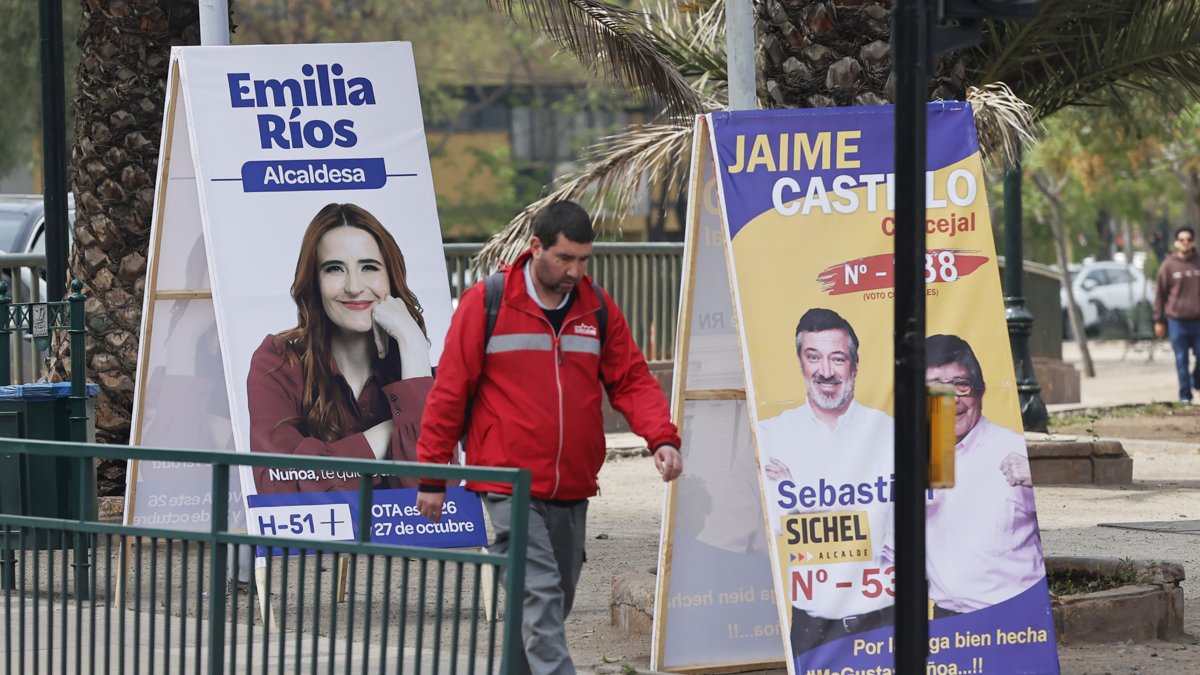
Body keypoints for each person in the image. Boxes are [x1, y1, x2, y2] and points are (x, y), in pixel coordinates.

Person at [415, 200, 682, 674]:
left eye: (584, 259)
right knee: (539, 592)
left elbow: (632, 379)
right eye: (564, 259)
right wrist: (433, 477)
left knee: (547, 605)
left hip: (573, 485)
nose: (575, 271)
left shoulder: (596, 307)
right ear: (535, 248)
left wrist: (661, 438)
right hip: (507, 483)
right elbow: (450, 391)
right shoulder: (488, 302)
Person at [246, 203, 433, 494]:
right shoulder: (278, 361)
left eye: (369, 267)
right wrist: (388, 433)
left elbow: (434, 495)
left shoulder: (416, 368)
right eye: (334, 269)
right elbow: (276, 486)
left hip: (406, 541)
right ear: (314, 282)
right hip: (316, 541)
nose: (354, 286)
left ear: (391, 279)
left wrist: (413, 347)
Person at [756, 308, 894, 658]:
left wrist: (802, 505)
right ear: (801, 362)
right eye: (813, 357)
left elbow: (914, 522)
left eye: (838, 359)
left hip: (886, 615)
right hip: (811, 621)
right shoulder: (773, 434)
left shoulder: (891, 431)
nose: (826, 372)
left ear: (855, 366)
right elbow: (778, 525)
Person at [905, 334, 1044, 615]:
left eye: (961, 386)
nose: (949, 399)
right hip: (947, 621)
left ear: (980, 391)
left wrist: (1039, 477)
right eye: (934, 387)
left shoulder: (1015, 451)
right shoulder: (913, 455)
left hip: (1016, 619)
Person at [1154, 226, 1200, 403]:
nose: (1185, 243)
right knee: (1181, 359)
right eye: (1182, 240)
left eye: (1188, 239)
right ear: (1176, 243)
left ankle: (1196, 379)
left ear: (1193, 242)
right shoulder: (1168, 266)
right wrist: (1159, 320)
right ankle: (1185, 395)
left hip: (1198, 320)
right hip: (1177, 321)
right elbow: (1160, 294)